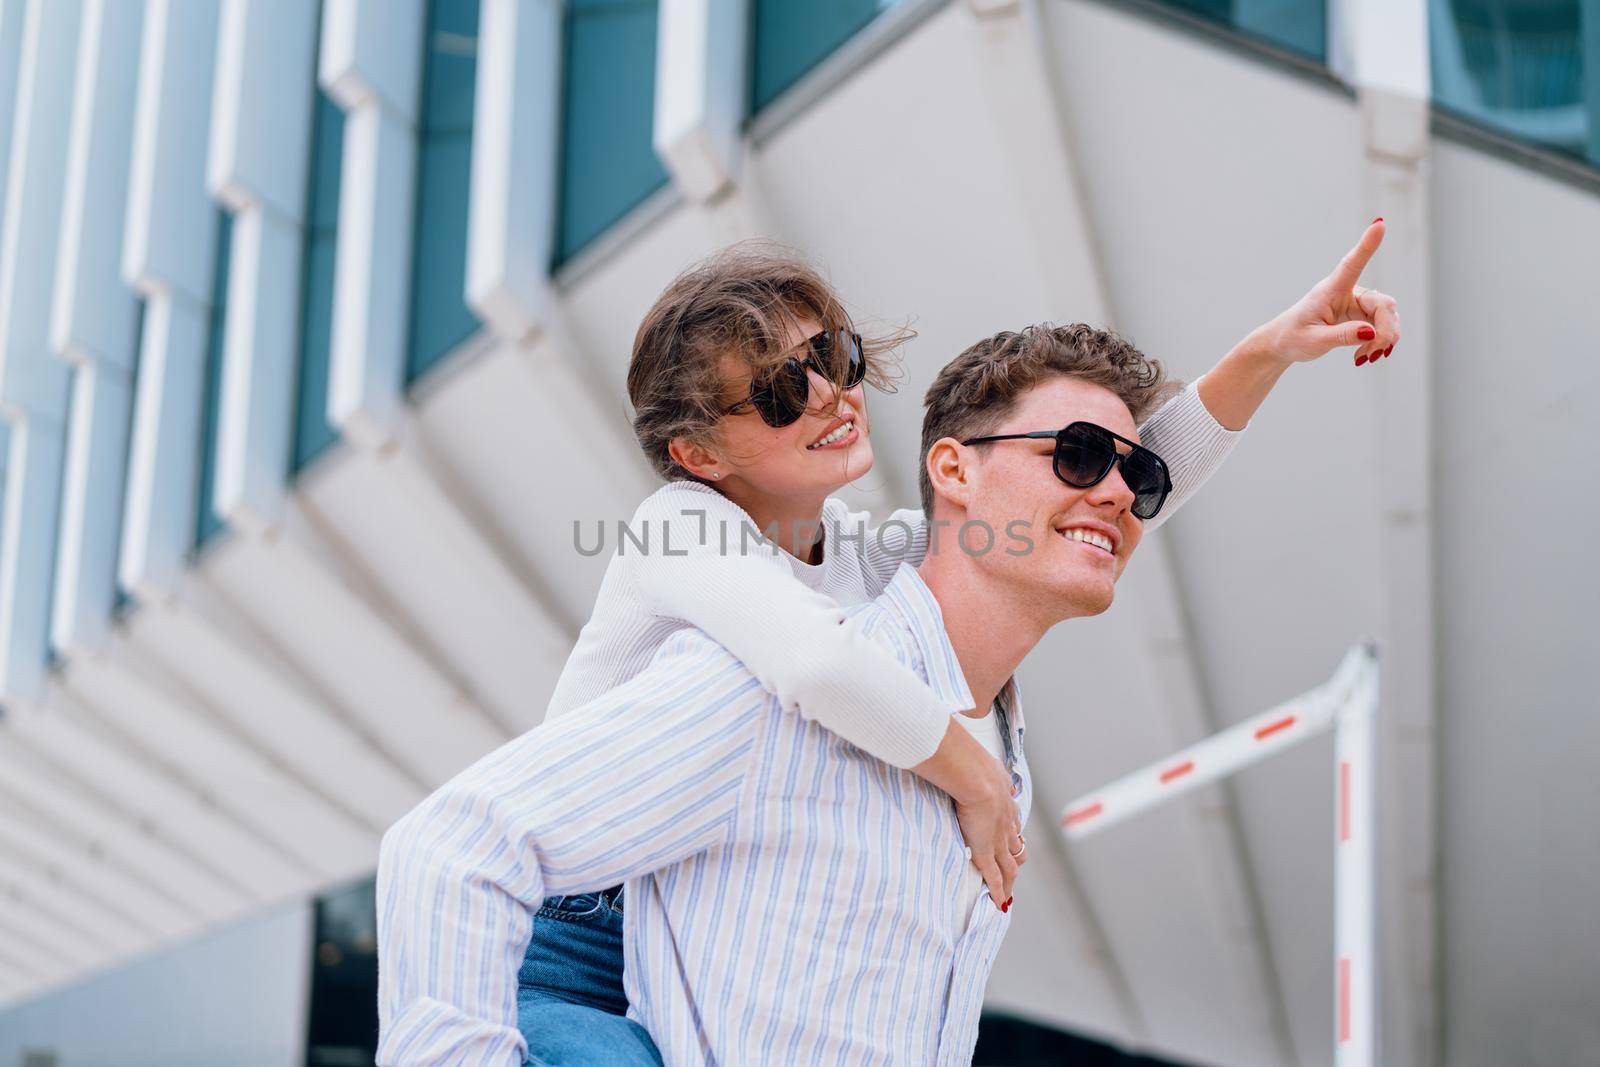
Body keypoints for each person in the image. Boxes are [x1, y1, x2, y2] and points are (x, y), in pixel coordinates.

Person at [376, 229, 1399, 1065]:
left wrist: (1266, 351)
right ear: (698, 453)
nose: (829, 395)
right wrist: (972, 774)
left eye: (837, 361)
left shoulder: (868, 556)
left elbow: (1101, 496)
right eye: (781, 391)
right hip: (573, 930)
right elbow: (814, 670)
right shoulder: (683, 538)